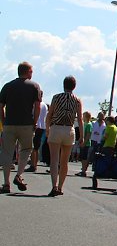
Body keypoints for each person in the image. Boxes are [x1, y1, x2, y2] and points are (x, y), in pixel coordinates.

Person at [0, 61, 43, 193]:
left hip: (9, 124)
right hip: (26, 124)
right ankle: (18, 175)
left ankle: (6, 183)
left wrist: (3, 120)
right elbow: (37, 106)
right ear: (28, 72)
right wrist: (35, 121)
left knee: (7, 152)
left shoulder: (7, 86)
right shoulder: (34, 86)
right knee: (26, 150)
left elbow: (0, 106)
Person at [44, 75, 83, 196]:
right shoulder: (77, 100)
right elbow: (80, 119)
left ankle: (54, 185)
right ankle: (60, 187)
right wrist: (81, 135)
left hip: (56, 127)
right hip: (69, 129)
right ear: (74, 87)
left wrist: (47, 129)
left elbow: (49, 115)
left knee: (54, 159)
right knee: (64, 161)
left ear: (63, 85)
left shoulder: (56, 98)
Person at [28, 99, 48, 172]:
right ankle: (35, 164)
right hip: (42, 126)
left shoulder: (35, 104)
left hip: (35, 126)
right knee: (37, 146)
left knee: (33, 146)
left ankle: (33, 165)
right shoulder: (45, 105)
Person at [77, 111, 92, 176]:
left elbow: (88, 135)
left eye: (83, 115)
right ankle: (82, 170)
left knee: (84, 158)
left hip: (86, 143)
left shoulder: (89, 124)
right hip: (83, 142)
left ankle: (83, 171)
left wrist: (84, 143)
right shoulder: (84, 123)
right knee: (82, 157)